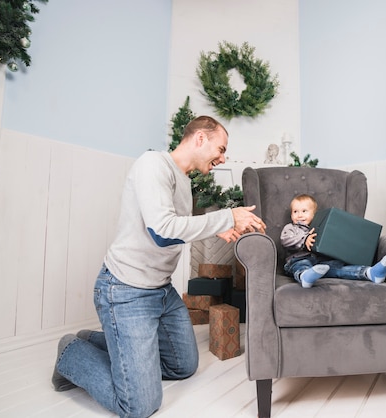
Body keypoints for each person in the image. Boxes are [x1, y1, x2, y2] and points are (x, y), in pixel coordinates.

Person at [51, 116, 266, 418]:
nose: (223, 157)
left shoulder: (184, 181)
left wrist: (213, 229)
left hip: (161, 292)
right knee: (139, 406)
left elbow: (172, 234)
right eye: (220, 148)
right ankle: (71, 351)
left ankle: (99, 340)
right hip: (126, 290)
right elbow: (162, 230)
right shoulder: (153, 164)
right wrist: (227, 217)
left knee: (183, 366)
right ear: (200, 139)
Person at [280, 194, 386, 288]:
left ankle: (370, 273)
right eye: (295, 211)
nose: (299, 215)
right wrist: (304, 239)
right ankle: (305, 276)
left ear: (314, 214)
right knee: (302, 264)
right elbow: (285, 239)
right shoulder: (291, 228)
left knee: (337, 268)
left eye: (304, 211)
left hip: (320, 262)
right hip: (297, 259)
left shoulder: (320, 227)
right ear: (291, 215)